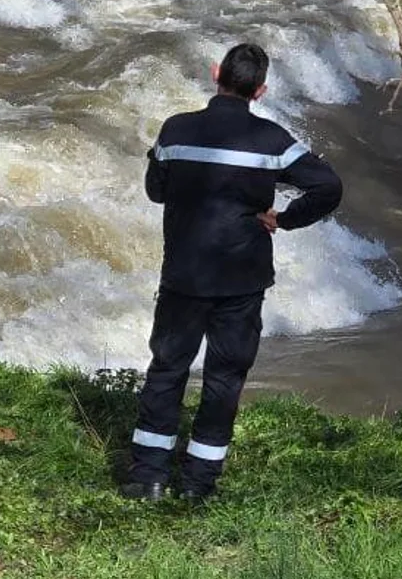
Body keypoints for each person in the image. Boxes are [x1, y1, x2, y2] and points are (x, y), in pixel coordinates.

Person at [124, 43, 342, 503]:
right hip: (242, 280)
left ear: (215, 73)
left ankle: (148, 477)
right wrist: (283, 218)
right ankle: (199, 483)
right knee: (225, 377)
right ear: (260, 91)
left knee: (167, 368)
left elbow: (156, 191)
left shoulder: (176, 129)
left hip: (184, 275)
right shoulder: (273, 141)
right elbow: (328, 186)